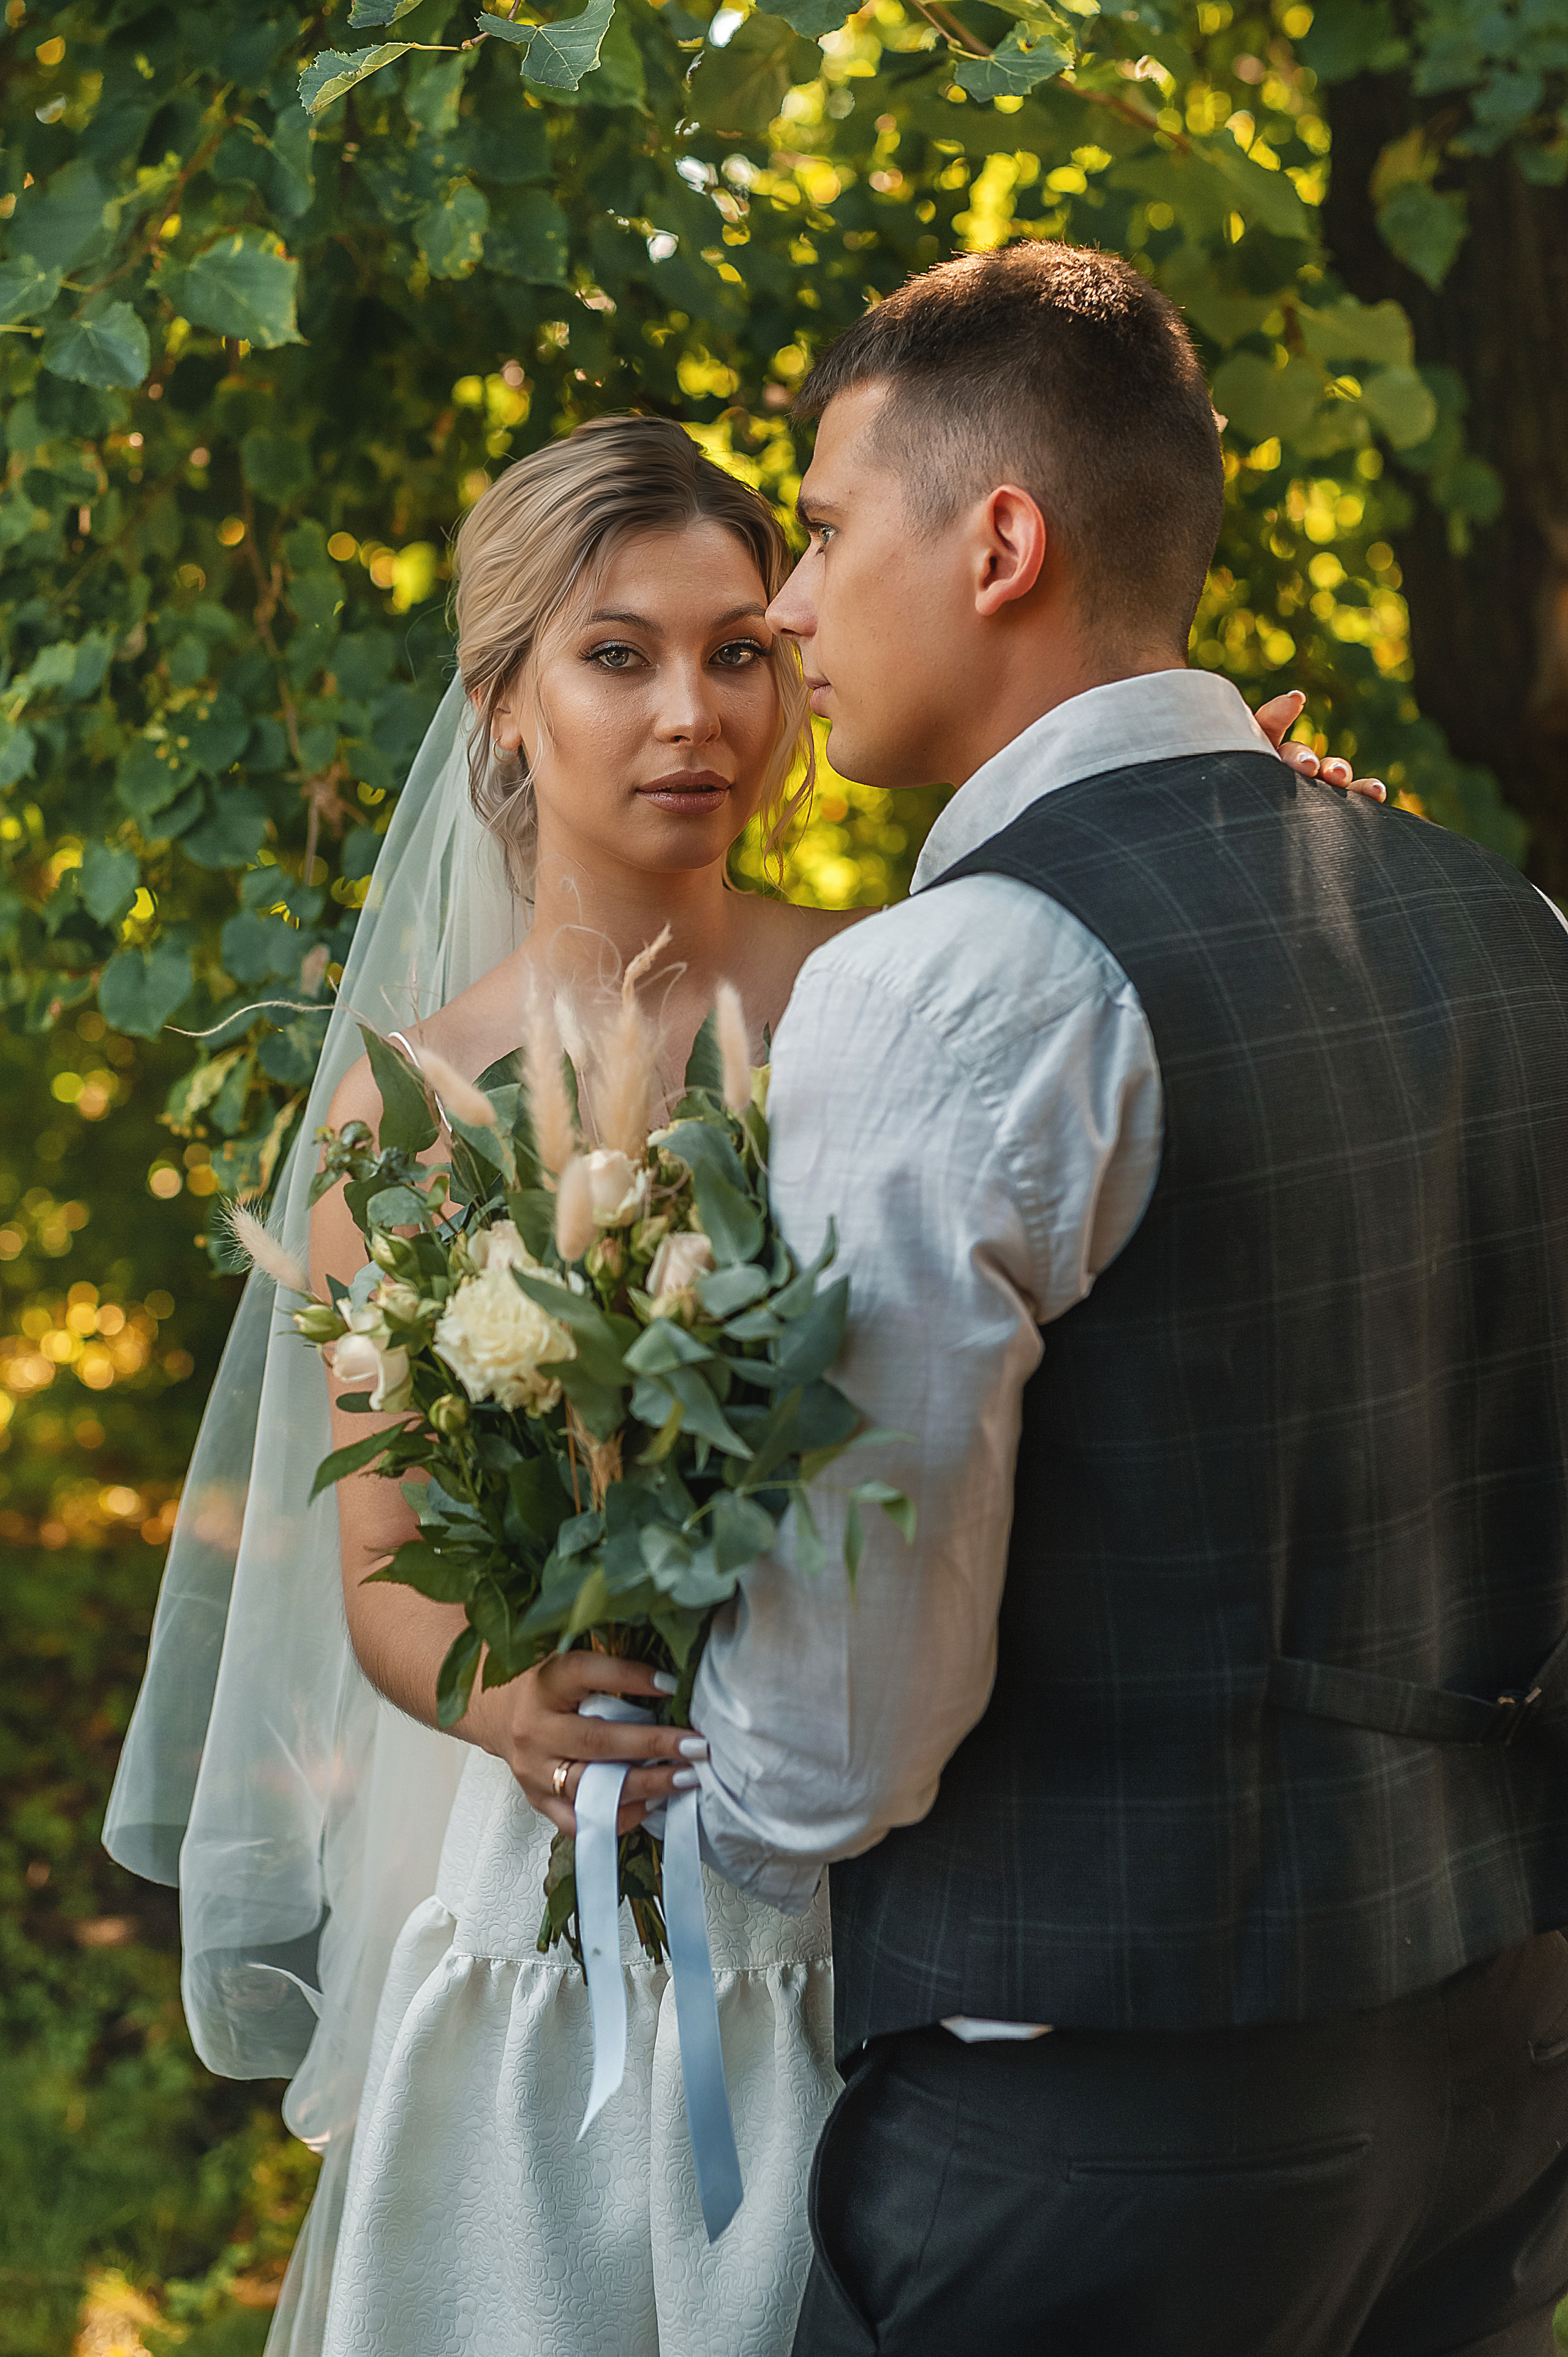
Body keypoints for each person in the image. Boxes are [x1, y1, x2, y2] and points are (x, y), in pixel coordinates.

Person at [103, 409, 1374, 2357]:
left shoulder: (914, 999)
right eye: (619, 655)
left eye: (740, 649)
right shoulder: (414, 1116)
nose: (697, 711)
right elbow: (377, 1565)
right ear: (506, 710)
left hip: (916, 1914)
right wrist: (508, 1692)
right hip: (584, 1912)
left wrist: (1264, 838)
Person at [679, 243, 1568, 2357]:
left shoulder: (954, 983)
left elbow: (836, 1729)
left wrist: (676, 1828)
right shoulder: (1511, 922)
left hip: (1107, 2130)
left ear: (1000, 542)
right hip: (1499, 2075)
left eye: (814, 531)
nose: (790, 609)